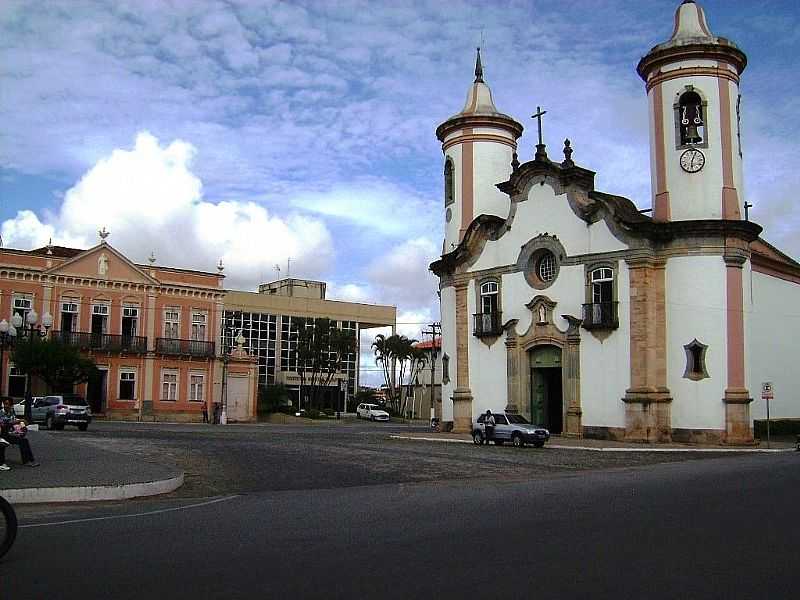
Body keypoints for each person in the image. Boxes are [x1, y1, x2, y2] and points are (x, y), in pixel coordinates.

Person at [0, 397, 39, 467]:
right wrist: (20, 420)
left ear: (11, 405)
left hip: (9, 433)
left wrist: (22, 427)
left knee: (24, 441)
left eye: (8, 404)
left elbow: (14, 422)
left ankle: (30, 460)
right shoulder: (1, 412)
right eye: (5, 404)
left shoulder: (11, 411)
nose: (6, 406)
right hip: (2, 434)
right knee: (3, 443)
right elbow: (4, 423)